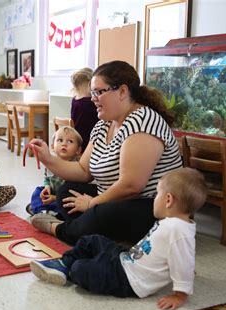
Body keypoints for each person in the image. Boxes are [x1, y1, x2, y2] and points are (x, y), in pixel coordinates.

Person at [29, 60, 183, 245]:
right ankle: (87, 230)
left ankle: (62, 229)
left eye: (99, 92)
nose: (93, 98)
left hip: (152, 206)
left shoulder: (142, 121)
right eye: (92, 91)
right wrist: (47, 158)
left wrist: (92, 203)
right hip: (115, 199)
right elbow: (83, 171)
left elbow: (131, 186)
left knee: (102, 212)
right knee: (66, 191)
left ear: (122, 92)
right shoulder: (104, 123)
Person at [30, 168, 208, 310]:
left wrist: (180, 294)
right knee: (92, 240)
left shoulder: (177, 229)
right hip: (127, 260)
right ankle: (63, 264)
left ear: (168, 200)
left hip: (129, 280)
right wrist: (186, 267)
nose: (154, 199)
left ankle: (70, 267)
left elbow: (183, 260)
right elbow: (181, 256)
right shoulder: (175, 224)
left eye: (157, 194)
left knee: (81, 270)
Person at [26, 126, 83, 216]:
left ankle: (52, 213)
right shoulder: (51, 162)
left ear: (78, 150)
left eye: (70, 141)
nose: (64, 144)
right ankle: (42, 211)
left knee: (69, 205)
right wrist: (47, 187)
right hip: (52, 193)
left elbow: (74, 193)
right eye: (60, 140)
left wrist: (55, 198)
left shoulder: (77, 167)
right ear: (52, 146)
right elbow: (47, 178)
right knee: (37, 192)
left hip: (64, 198)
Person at [70, 67, 99, 149]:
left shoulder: (75, 100)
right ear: (89, 84)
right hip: (86, 142)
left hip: (77, 138)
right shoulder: (88, 103)